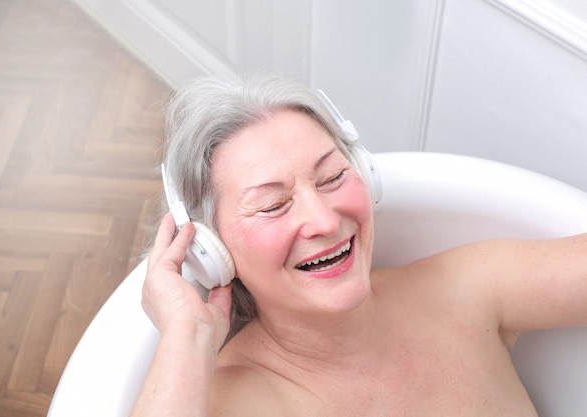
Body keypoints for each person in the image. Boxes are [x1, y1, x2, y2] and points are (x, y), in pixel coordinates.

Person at [129, 73, 587, 417]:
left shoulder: (464, 289)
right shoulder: (244, 398)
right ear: (213, 251)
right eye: (271, 205)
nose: (324, 220)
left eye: (332, 177)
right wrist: (187, 335)